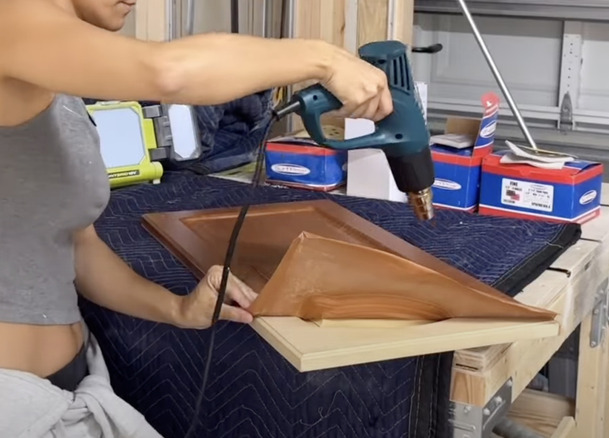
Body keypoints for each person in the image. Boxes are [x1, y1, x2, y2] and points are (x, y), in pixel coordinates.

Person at [0, 0, 393, 435]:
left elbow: (76, 246)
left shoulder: (61, 75)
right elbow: (166, 73)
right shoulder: (10, 18)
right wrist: (324, 58)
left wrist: (178, 308)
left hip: (71, 388)